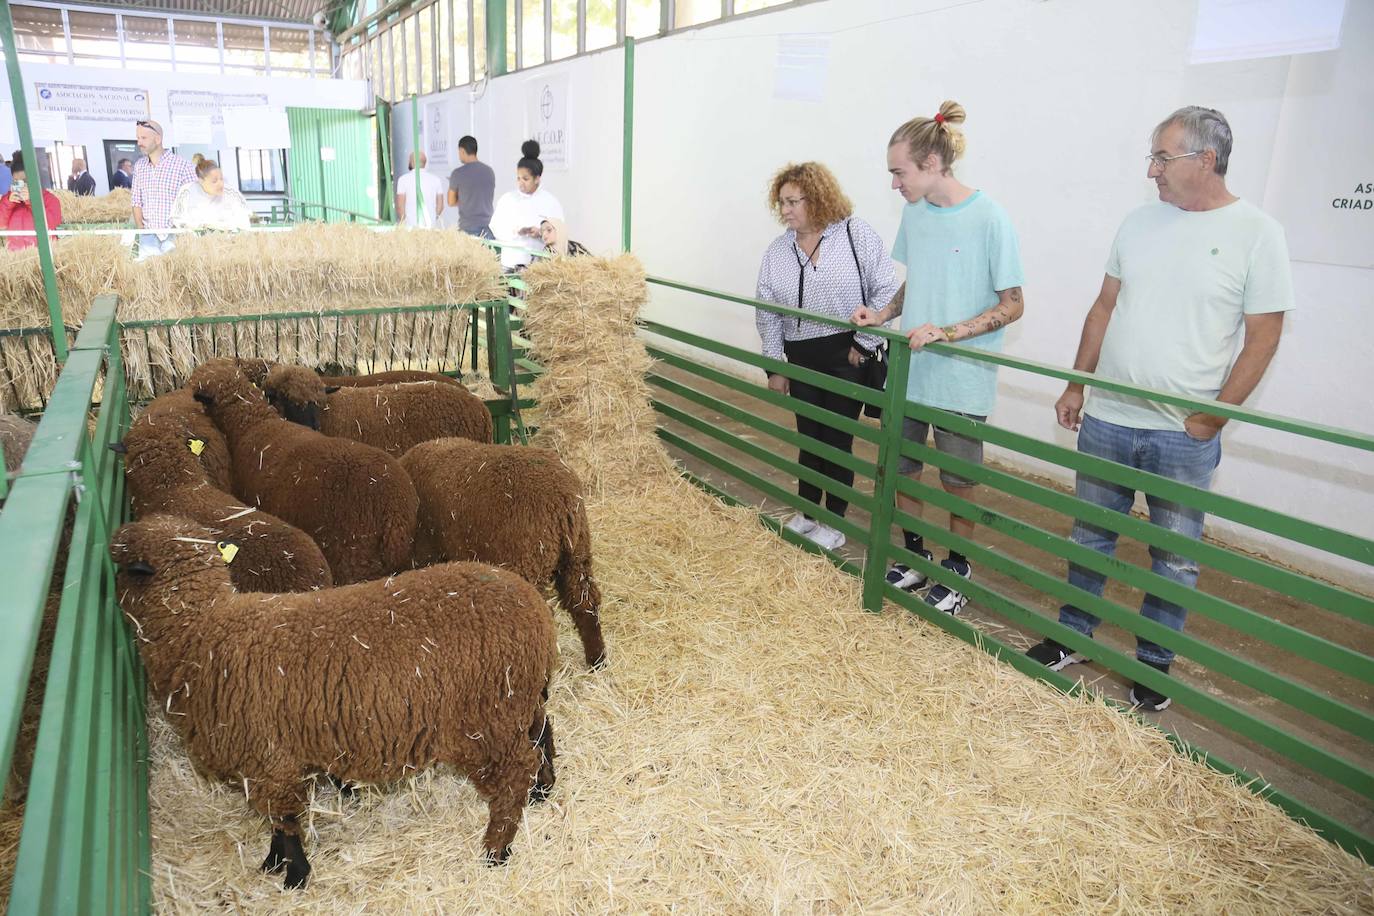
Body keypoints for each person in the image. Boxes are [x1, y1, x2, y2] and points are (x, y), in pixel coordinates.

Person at [1025, 106, 1293, 712]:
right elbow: (1102, 308)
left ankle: (1153, 664)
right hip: (1109, 419)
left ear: (1206, 159)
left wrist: (1213, 416)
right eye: (1152, 156)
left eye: (1162, 157)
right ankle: (1073, 635)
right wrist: (1076, 385)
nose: (1151, 170)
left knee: (1173, 556)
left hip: (1182, 434)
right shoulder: (1138, 223)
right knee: (1090, 534)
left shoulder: (1258, 233)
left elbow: (1265, 337)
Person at [853, 100, 1026, 614]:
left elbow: (1013, 303)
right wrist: (884, 312)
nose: (893, 184)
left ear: (931, 164)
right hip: (909, 371)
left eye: (898, 172)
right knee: (901, 468)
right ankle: (915, 555)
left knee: (957, 479)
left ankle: (957, 566)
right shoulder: (916, 214)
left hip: (961, 380)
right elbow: (920, 277)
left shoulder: (990, 218)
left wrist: (950, 332)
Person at [757, 162, 900, 551]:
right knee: (809, 435)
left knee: (837, 438)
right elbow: (767, 309)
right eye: (781, 202)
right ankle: (807, 512)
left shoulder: (855, 235)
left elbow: (886, 289)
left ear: (817, 199)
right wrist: (775, 364)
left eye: (792, 202)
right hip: (800, 354)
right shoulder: (778, 250)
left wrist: (863, 345)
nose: (784, 210)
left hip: (846, 355)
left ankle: (834, 520)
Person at [489, 140, 563, 270]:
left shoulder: (551, 202)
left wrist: (541, 233)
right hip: (510, 266)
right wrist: (516, 231)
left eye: (526, 179)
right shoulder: (507, 199)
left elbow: (560, 234)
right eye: (518, 178)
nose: (521, 183)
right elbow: (495, 227)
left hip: (540, 269)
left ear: (537, 179)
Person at [130, 119, 195, 258]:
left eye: (143, 138)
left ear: (158, 139)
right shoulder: (139, 166)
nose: (139, 142)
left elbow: (193, 202)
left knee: (175, 277)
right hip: (148, 238)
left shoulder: (183, 166)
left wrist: (179, 230)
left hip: (175, 237)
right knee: (147, 276)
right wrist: (141, 230)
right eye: (138, 138)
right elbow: (136, 201)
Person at [0, 152, 63, 251]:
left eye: (25, 180)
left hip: (43, 254)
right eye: (17, 181)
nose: (22, 185)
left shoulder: (49, 198)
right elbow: (1, 223)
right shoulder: (7, 199)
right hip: (16, 256)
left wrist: (31, 201)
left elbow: (51, 222)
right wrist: (9, 202)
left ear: (35, 178)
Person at [170, 159, 253, 231]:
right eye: (214, 181)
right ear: (201, 181)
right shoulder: (187, 191)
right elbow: (177, 219)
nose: (220, 184)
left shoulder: (231, 193)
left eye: (221, 179)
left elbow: (244, 218)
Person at [447, 135, 496, 237]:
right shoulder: (489, 171)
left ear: (462, 150)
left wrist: (465, 200)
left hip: (468, 228)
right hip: (489, 227)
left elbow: (450, 202)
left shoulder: (457, 173)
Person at [396, 151, 445, 228]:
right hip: (430, 226)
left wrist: (405, 222)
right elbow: (441, 205)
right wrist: (433, 218)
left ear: (412, 162)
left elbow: (400, 206)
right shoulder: (436, 180)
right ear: (425, 163)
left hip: (410, 227)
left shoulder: (403, 180)